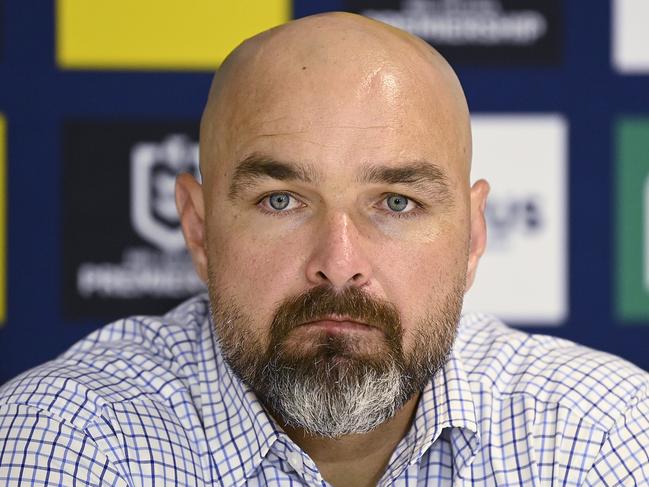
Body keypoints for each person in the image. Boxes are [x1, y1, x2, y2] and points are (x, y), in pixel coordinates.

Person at [1, 12, 648, 487]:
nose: (338, 263)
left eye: (395, 201)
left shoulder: (601, 436)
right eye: (281, 199)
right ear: (198, 229)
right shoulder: (72, 441)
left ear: (473, 236)